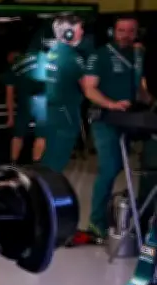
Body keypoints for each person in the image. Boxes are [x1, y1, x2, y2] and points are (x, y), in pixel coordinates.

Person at [81, 16, 149, 241]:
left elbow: (141, 88)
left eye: (130, 31)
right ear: (113, 31)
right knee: (109, 168)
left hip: (131, 119)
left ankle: (132, 218)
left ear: (137, 32)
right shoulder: (99, 55)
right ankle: (96, 222)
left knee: (125, 167)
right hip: (105, 119)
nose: (125, 35)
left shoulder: (139, 55)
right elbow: (90, 89)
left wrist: (148, 99)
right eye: (121, 30)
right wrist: (112, 104)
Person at [39, 15, 87, 173]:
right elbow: (88, 88)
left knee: (50, 155)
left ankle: (43, 184)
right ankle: (49, 186)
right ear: (68, 33)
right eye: (79, 29)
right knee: (58, 159)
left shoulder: (52, 51)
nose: (82, 32)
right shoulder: (72, 57)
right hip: (66, 112)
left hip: (50, 111)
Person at [3, 50, 44, 163]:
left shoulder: (13, 68)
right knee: (41, 135)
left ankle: (13, 163)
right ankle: (37, 164)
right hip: (42, 102)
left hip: (25, 103)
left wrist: (10, 117)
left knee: (18, 135)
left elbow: (9, 95)